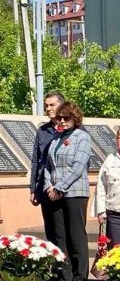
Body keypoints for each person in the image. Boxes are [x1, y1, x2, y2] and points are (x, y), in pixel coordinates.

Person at [43, 102, 92, 281]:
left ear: (75, 118)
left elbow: (78, 166)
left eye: (66, 118)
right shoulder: (56, 138)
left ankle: (80, 278)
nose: (62, 121)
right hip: (54, 193)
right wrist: (49, 186)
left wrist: (60, 188)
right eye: (59, 118)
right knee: (59, 237)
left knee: (75, 236)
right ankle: (65, 277)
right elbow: (48, 166)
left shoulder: (82, 137)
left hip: (74, 193)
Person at [30, 93, 64, 246]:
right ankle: (57, 267)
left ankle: (71, 269)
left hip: (65, 190)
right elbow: (36, 162)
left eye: (52, 105)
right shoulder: (42, 131)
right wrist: (33, 189)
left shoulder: (74, 130)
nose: (48, 109)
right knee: (51, 233)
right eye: (46, 106)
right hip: (45, 189)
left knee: (66, 233)